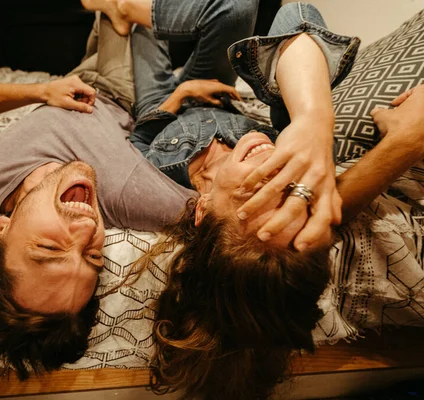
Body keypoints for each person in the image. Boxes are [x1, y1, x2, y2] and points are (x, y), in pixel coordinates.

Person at [81, 0, 360, 398]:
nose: (276, 171)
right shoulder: (296, 152)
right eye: (294, 195)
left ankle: (120, 9)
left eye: (261, 188)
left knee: (144, 34)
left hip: (166, 104)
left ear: (203, 209)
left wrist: (177, 98)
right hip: (219, 94)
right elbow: (296, 14)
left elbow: (139, 141)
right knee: (237, 7)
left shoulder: (158, 184)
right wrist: (314, 119)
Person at [0, 14, 196, 378]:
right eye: (93, 256)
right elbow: (217, 217)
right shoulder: (136, 199)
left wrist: (41, 91)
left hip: (76, 78)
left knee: (112, 11)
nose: (86, 229)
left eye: (49, 248)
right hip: (128, 91)